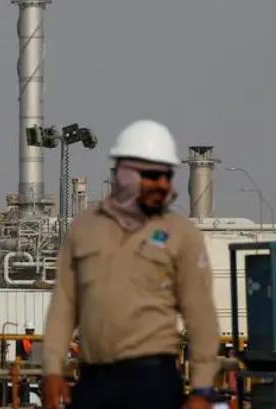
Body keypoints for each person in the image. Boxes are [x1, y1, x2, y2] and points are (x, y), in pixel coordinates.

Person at [42, 120, 220, 409]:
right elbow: (64, 304)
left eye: (167, 175)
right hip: (94, 382)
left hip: (152, 382)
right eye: (152, 175)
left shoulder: (181, 234)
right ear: (124, 173)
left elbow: (200, 315)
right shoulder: (85, 230)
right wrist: (52, 369)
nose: (163, 184)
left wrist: (203, 389)